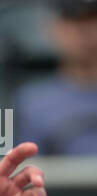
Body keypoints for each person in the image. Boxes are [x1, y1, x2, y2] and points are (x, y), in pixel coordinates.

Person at [15, 0, 97, 155]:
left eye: (91, 20)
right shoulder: (31, 104)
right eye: (71, 21)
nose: (83, 31)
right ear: (53, 28)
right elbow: (27, 171)